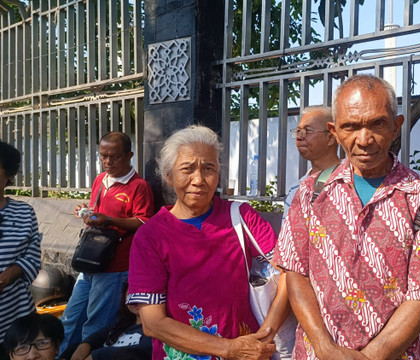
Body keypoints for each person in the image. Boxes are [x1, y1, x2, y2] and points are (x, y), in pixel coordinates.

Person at [275, 74, 420, 360]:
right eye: (350, 127)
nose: (364, 140)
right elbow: (295, 273)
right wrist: (324, 347)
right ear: (334, 131)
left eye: (377, 124)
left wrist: (371, 357)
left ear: (395, 126)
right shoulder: (311, 192)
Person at [127, 125, 290, 360]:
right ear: (169, 176)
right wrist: (229, 349)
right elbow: (153, 323)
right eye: (187, 169)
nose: (198, 180)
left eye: (208, 168)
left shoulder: (242, 216)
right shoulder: (150, 236)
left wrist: (264, 337)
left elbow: (288, 272)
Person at [59, 132, 155, 355]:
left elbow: (145, 222)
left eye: (115, 156)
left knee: (96, 324)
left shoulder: (138, 186)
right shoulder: (100, 181)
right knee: (71, 317)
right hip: (90, 262)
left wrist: (109, 220)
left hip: (115, 267)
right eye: (103, 156)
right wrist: (85, 212)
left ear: (129, 155)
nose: (108, 162)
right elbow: (96, 213)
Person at [0, 142, 41, 360]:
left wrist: (7, 277)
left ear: (9, 174)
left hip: (17, 317)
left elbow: (33, 256)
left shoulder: (24, 213)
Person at [62, 283, 152, 360]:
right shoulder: (121, 323)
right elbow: (97, 336)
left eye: (141, 294)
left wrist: (97, 355)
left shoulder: (153, 329)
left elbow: (140, 351)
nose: (134, 300)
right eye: (130, 294)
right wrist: (84, 346)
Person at [283, 106, 341, 216]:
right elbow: (287, 232)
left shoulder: (353, 180)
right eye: (298, 131)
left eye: (307, 131)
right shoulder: (296, 189)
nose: (299, 137)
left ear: (331, 138)